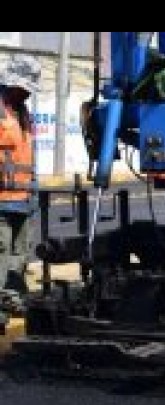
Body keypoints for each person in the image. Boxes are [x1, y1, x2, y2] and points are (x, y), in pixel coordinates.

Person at [0, 55, 40, 327]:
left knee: (20, 256)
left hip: (23, 201)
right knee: (1, 256)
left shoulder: (23, 112)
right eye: (24, 88)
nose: (28, 93)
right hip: (1, 201)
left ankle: (11, 301)